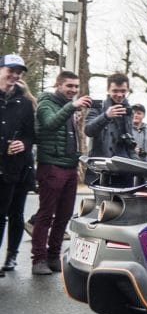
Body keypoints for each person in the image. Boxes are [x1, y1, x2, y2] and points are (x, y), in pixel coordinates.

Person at [30, 70, 91, 276]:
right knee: (46, 215)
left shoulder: (69, 107)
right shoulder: (46, 104)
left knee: (64, 215)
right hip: (51, 167)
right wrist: (71, 106)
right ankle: (38, 260)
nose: (73, 90)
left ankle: (53, 257)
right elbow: (49, 123)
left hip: (69, 167)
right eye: (69, 86)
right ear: (58, 85)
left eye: (75, 87)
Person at [0, 55, 36, 277]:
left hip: (18, 168)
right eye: (10, 70)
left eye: (18, 72)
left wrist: (23, 143)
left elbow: (31, 136)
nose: (14, 75)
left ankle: (12, 255)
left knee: (15, 214)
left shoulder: (24, 103)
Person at [85, 73, 136, 160]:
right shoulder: (98, 108)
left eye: (123, 91)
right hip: (102, 164)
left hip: (125, 164)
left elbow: (129, 139)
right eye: (115, 91)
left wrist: (135, 159)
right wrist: (106, 116)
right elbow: (88, 131)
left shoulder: (128, 110)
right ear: (108, 90)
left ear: (127, 90)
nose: (119, 95)